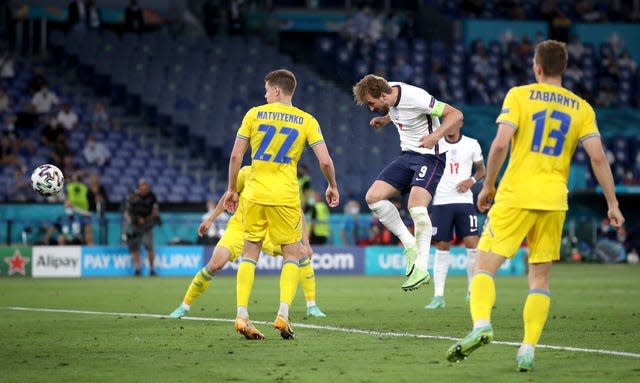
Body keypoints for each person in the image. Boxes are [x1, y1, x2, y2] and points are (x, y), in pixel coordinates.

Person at [446, 40, 625, 372]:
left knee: (484, 266)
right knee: (539, 279)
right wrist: (612, 203)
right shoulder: (581, 108)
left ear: (537, 68)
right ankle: (527, 348)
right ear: (563, 69)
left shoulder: (519, 95)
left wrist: (488, 184)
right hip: (555, 199)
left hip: (516, 194)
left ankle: (482, 323)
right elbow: (598, 157)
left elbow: (500, 143)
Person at [223, 69, 339, 340]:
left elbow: (236, 156)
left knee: (250, 253)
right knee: (292, 254)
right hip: (285, 196)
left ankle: (241, 314)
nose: (264, 95)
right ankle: (283, 314)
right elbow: (324, 161)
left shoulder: (253, 114)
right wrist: (332, 185)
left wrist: (231, 189)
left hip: (253, 194)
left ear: (276, 91)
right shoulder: (306, 120)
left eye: (266, 90)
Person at [169, 166, 327, 330]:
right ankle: (184, 305)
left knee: (301, 253)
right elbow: (228, 194)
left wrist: (306, 243)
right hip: (239, 227)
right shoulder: (247, 172)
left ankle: (312, 305)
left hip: (268, 229)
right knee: (215, 264)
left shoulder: (285, 175)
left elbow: (297, 210)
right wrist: (210, 219)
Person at [352, 74, 464, 291]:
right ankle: (410, 245)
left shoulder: (415, 96)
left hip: (432, 156)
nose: (372, 108)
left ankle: (422, 268)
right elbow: (397, 111)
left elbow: (455, 115)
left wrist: (435, 136)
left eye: (372, 104)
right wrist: (385, 120)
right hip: (408, 156)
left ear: (383, 95)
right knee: (373, 198)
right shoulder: (388, 91)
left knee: (416, 207)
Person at [425, 127, 485, 310]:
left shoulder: (471, 143)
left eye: (453, 123)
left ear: (460, 124)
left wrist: (472, 181)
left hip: (465, 202)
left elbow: (481, 170)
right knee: (442, 247)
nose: (449, 126)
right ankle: (438, 296)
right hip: (441, 202)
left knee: (473, 245)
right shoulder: (436, 143)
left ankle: (472, 291)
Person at [123, 179, 160, 276]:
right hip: (135, 226)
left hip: (147, 225)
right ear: (139, 187)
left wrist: (147, 219)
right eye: (142, 186)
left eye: (146, 186)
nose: (144, 188)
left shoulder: (152, 196)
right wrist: (131, 220)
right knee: (135, 248)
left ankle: (152, 269)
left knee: (149, 247)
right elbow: (127, 211)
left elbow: (155, 210)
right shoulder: (133, 197)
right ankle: (137, 269)